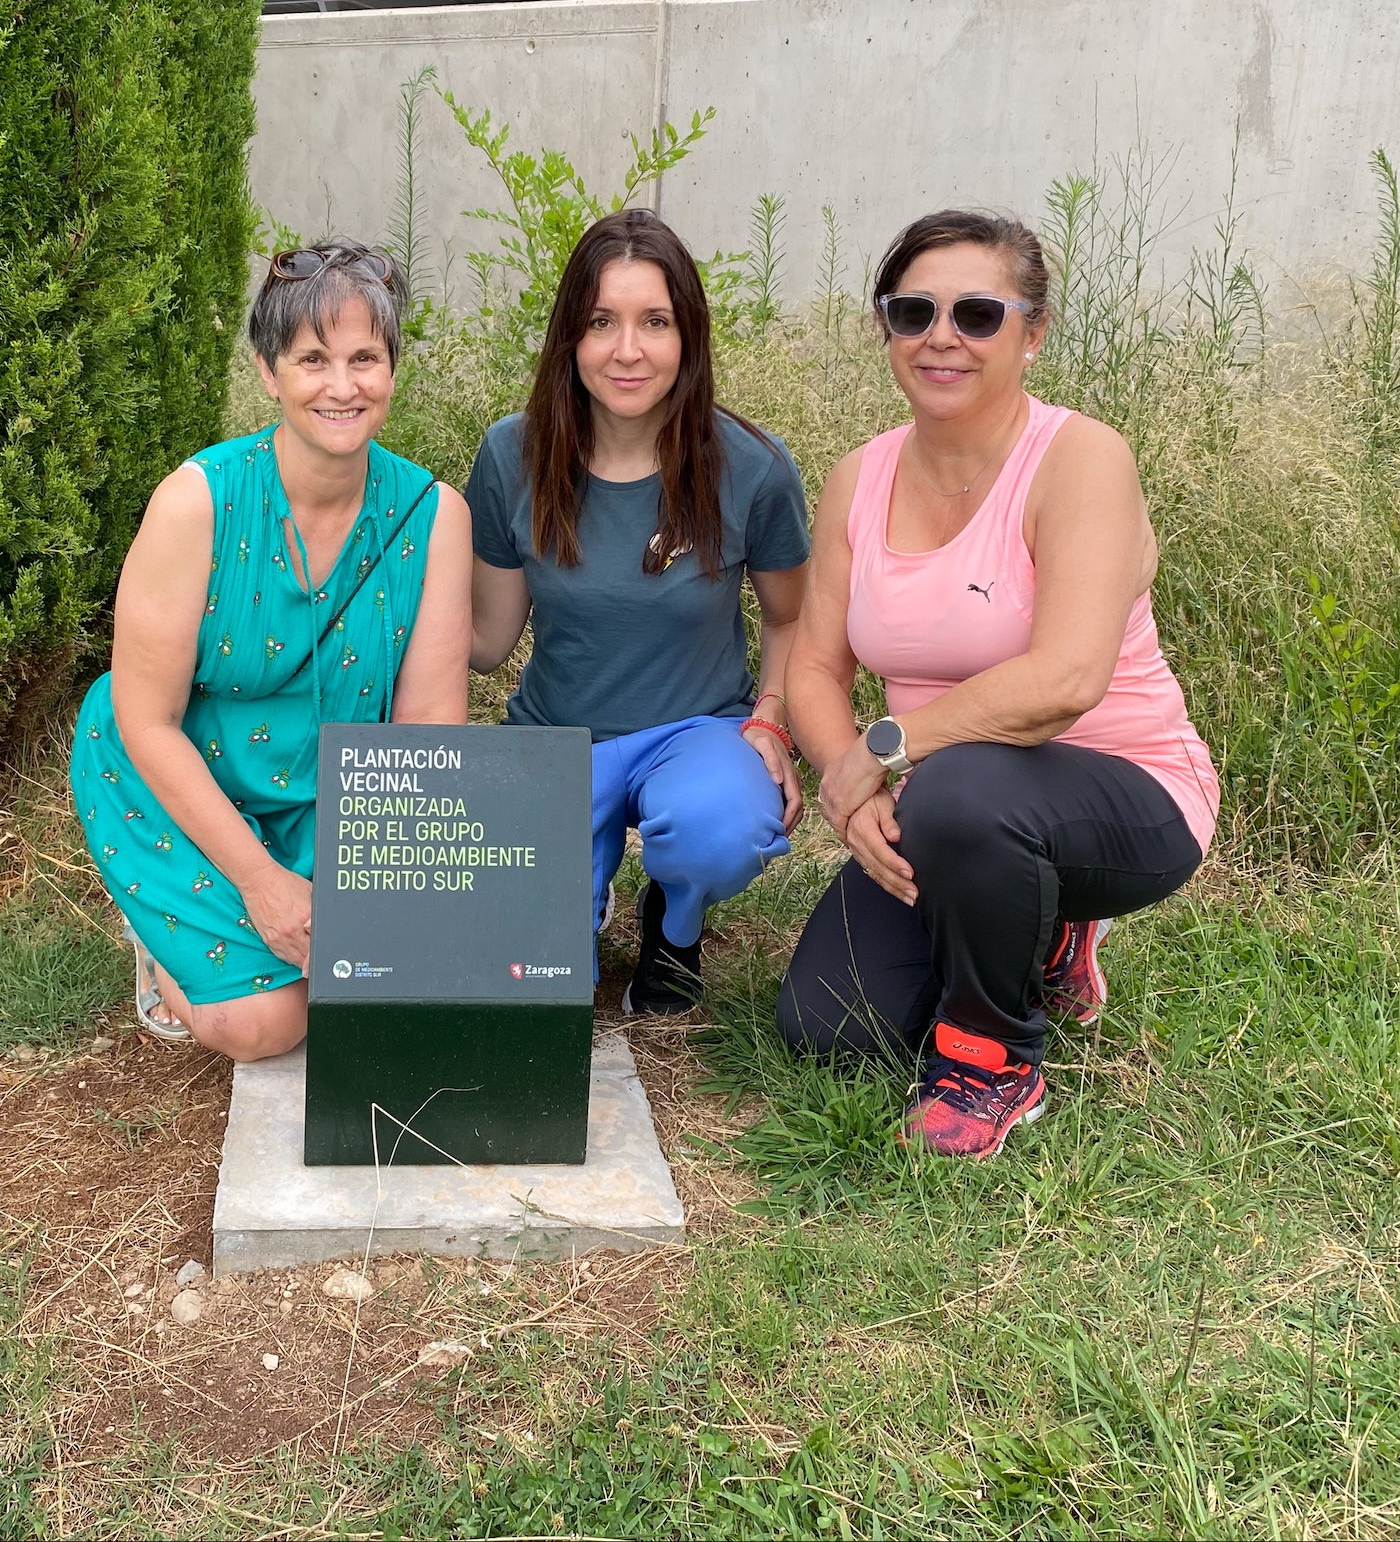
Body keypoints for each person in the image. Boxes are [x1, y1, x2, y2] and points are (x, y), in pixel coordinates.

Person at [777, 208, 1219, 1158]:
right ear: (885, 328)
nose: (943, 337)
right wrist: (852, 794)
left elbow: (1066, 678)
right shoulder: (860, 477)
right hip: (948, 806)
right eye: (914, 312)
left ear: (1033, 333)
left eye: (978, 314)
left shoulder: (1080, 458)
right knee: (831, 1026)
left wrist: (885, 749)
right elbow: (814, 664)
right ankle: (1037, 937)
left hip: (1123, 791)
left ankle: (993, 1062)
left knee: (966, 787)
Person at [70, 243, 472, 1061]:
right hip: (180, 775)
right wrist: (262, 885)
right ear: (267, 370)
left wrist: (403, 910)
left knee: (368, 984)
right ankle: (159, 944)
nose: (342, 385)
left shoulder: (435, 516)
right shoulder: (197, 504)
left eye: (365, 358)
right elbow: (146, 719)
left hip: (332, 796)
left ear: (392, 367)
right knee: (266, 1026)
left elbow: (429, 730)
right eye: (313, 359)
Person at [467, 209, 811, 1015]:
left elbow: (794, 619)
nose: (628, 350)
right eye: (601, 322)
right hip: (556, 743)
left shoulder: (751, 467)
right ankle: (575, 904)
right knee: (534, 992)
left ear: (687, 334)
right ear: (568, 339)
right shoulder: (511, 456)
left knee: (716, 827)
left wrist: (770, 718)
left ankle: (676, 924)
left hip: (696, 735)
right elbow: (486, 642)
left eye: (654, 321)